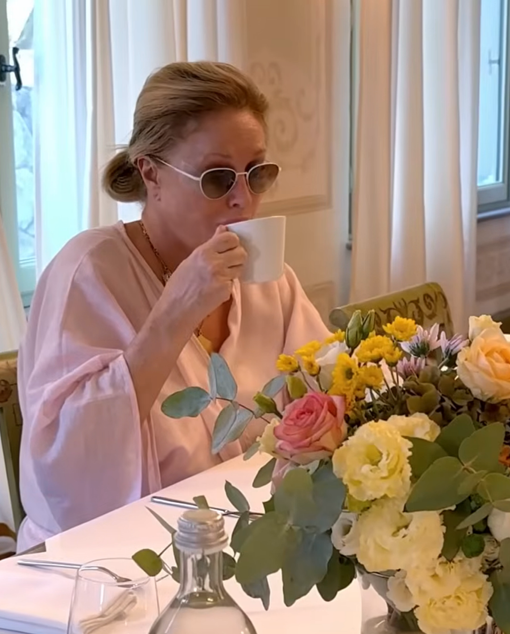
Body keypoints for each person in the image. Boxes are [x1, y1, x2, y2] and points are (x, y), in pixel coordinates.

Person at [17, 61, 329, 550]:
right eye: (217, 178)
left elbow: (329, 396)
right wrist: (176, 312)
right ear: (151, 174)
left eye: (257, 173)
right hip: (106, 558)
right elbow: (66, 472)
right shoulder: (87, 273)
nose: (243, 200)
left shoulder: (270, 280)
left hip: (250, 541)